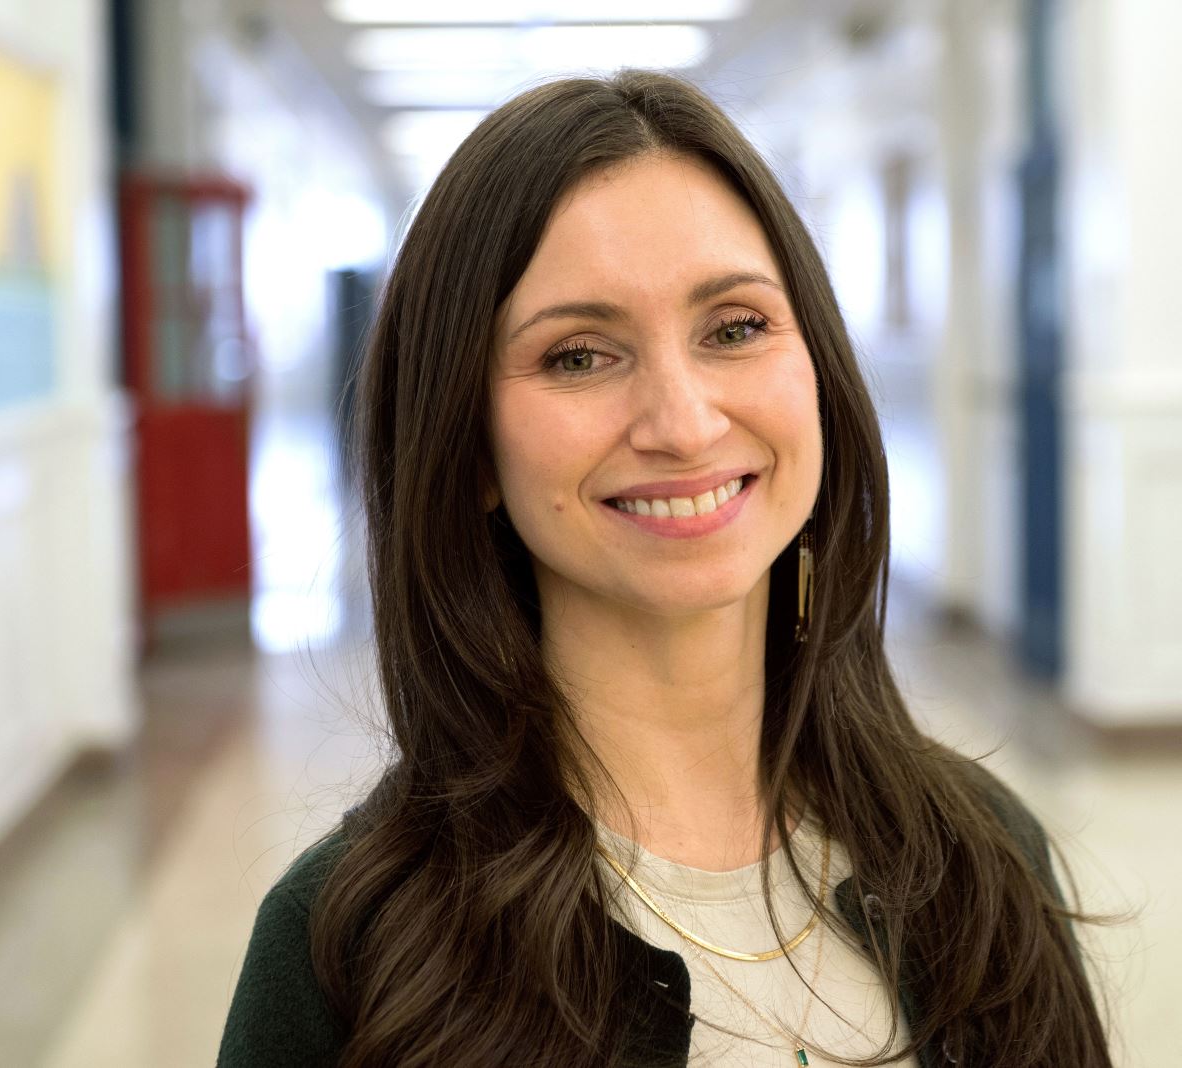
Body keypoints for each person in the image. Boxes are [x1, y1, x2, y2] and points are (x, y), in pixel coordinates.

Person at [218, 70, 1110, 1067]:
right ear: (468, 448)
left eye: (734, 329)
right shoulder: (346, 947)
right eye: (578, 356)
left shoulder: (982, 858)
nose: (683, 424)